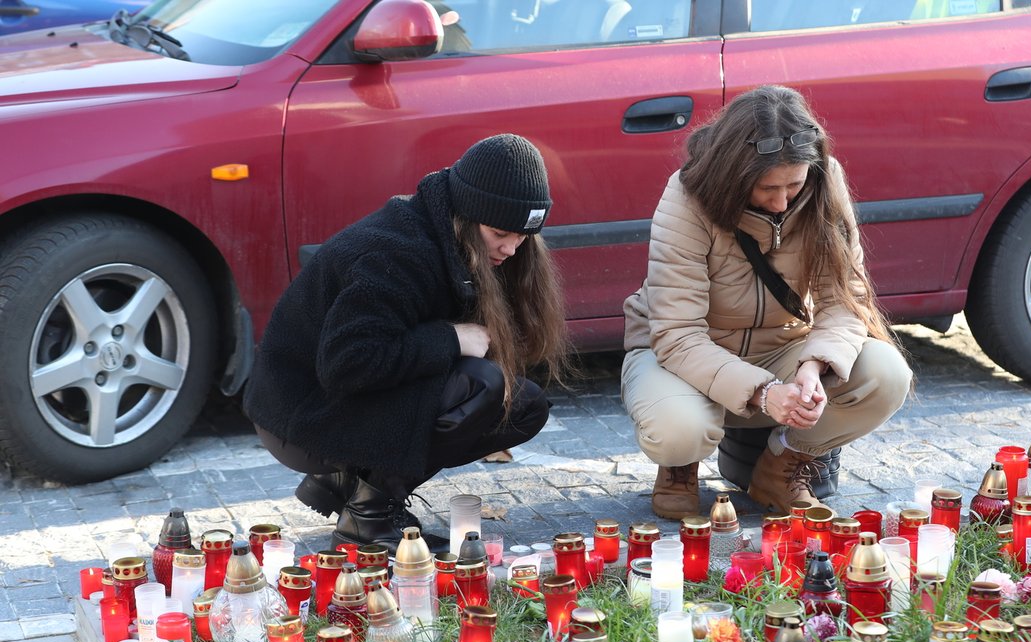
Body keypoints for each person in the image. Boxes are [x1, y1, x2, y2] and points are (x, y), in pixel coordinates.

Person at [243, 134, 570, 553]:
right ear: (466, 216)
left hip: (341, 403)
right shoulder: (396, 253)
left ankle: (352, 485)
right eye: (500, 232)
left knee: (524, 406)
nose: (511, 248)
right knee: (481, 385)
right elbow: (349, 362)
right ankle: (368, 515)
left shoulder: (456, 239)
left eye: (524, 236)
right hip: (300, 417)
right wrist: (451, 338)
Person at [621, 85, 912, 520]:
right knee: (679, 430)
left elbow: (845, 299)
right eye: (765, 188)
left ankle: (782, 463)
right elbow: (677, 336)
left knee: (887, 374)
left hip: (784, 345)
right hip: (681, 357)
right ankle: (679, 465)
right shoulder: (686, 196)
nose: (781, 202)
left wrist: (815, 366)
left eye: (793, 185)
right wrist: (764, 391)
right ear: (732, 175)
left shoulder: (824, 179)